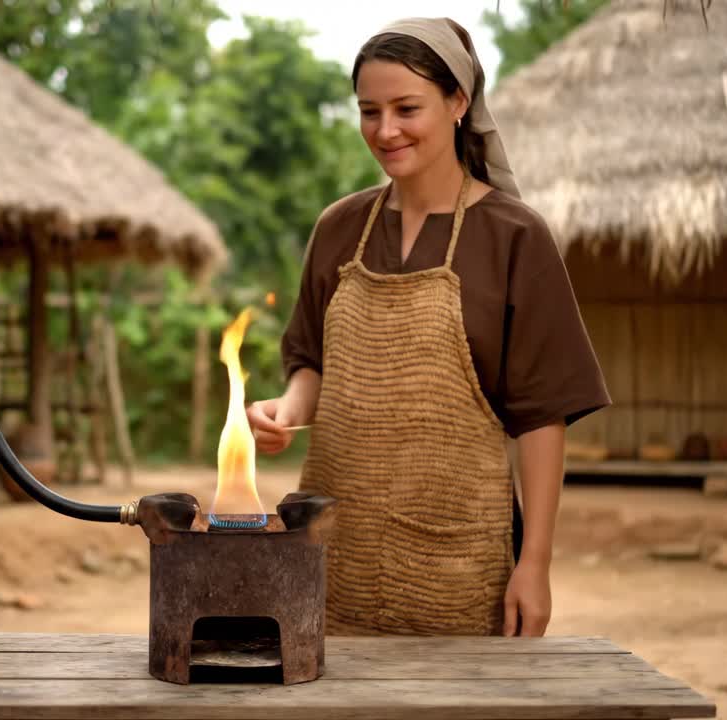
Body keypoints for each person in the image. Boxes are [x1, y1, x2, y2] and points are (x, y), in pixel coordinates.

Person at [247, 17, 610, 638]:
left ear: (459, 102)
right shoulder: (338, 228)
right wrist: (286, 410)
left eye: (406, 108)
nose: (385, 131)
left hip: (460, 560)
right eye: (369, 111)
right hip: (333, 550)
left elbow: (541, 415)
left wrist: (536, 563)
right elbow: (311, 362)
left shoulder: (515, 237)